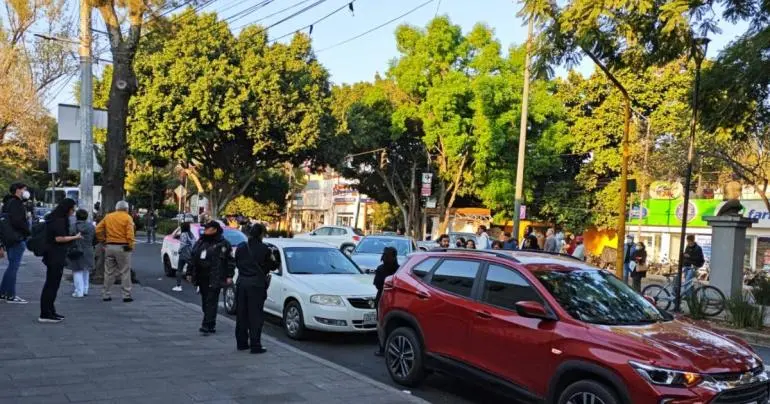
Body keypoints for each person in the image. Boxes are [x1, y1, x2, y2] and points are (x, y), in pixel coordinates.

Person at [234, 223, 275, 353]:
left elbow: (237, 262)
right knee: (255, 315)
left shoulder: (241, 247)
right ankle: (255, 345)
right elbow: (272, 266)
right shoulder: (265, 249)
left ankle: (241, 343)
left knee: (241, 314)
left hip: (241, 282)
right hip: (256, 284)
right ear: (261, 234)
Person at [188, 221, 234, 335]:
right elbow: (193, 256)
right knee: (205, 301)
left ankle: (207, 325)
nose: (205, 230)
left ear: (215, 230)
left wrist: (229, 275)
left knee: (211, 300)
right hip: (201, 276)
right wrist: (189, 272)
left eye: (208, 228)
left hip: (215, 276)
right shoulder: (201, 241)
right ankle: (211, 323)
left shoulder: (223, 244)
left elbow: (230, 261)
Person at [40, 198, 82, 323]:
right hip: (55, 255)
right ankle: (46, 313)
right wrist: (75, 237)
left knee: (53, 284)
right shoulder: (59, 220)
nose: (73, 211)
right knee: (52, 284)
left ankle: (50, 310)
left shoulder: (54, 218)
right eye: (72, 209)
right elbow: (59, 238)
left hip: (54, 254)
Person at [96, 201, 136, 302]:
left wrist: (103, 240)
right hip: (123, 247)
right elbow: (130, 234)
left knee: (109, 272)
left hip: (109, 246)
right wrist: (131, 246)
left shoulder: (108, 217)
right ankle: (126, 295)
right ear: (126, 209)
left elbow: (98, 229)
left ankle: (106, 294)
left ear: (116, 208)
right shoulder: (127, 218)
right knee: (125, 271)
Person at [0, 183, 32, 303]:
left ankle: (3, 293)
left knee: (11, 266)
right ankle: (10, 295)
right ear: (18, 190)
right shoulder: (16, 203)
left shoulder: (7, 203)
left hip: (9, 238)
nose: (26, 192)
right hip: (17, 238)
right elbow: (18, 221)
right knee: (13, 267)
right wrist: (27, 231)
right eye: (24, 189)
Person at [373, 247, 399, 357]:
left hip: (382, 298)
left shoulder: (381, 269)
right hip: (395, 299)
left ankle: (382, 348)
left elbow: (377, 284)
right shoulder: (399, 270)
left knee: (381, 324)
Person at [70, 209, 95, 298]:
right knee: (86, 270)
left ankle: (79, 291)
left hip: (76, 250)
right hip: (88, 249)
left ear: (76, 216)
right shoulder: (91, 226)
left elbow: (69, 237)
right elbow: (95, 238)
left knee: (77, 270)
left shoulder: (73, 226)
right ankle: (85, 289)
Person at [173, 221, 194, 292]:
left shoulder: (183, 234)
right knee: (193, 267)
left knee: (179, 269)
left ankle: (178, 286)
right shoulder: (191, 234)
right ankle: (198, 285)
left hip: (184, 252)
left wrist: (179, 250)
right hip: (191, 253)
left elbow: (182, 243)